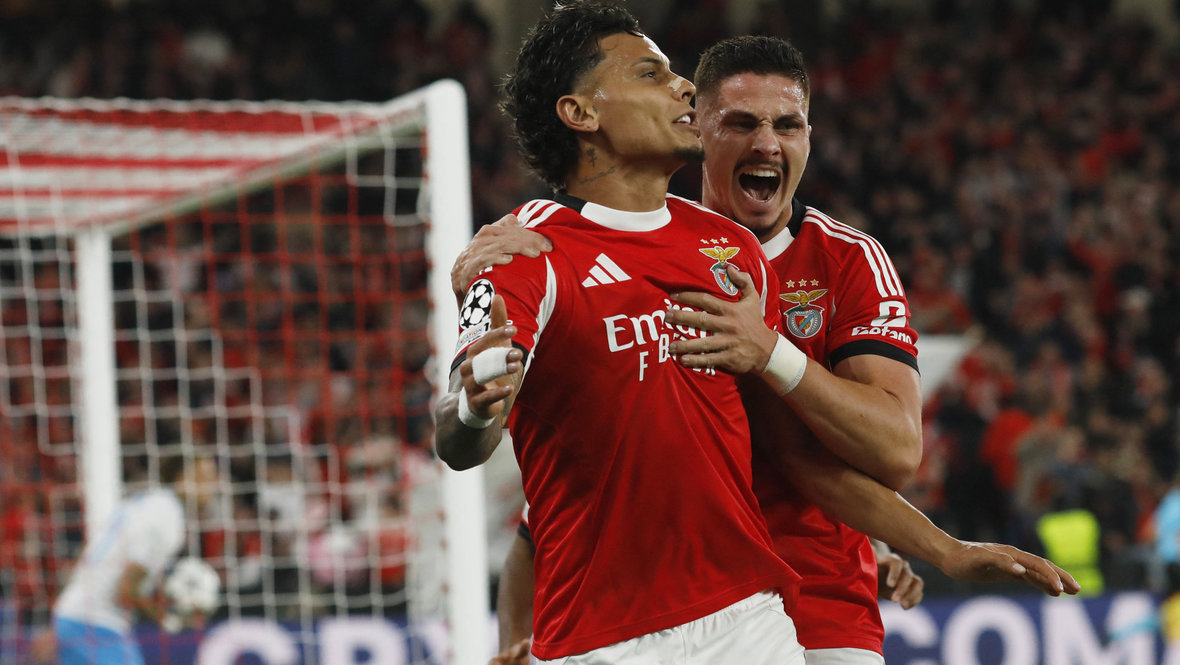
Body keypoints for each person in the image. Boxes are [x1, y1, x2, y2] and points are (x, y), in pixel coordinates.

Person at [455, 35, 1080, 665]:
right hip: (634, 609)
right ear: (698, 129)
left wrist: (935, 546)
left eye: (788, 126)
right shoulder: (596, 249)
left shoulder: (843, 259)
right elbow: (552, 489)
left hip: (809, 604)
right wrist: (516, 638)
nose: (766, 144)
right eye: (741, 123)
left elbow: (885, 452)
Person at [434, 3, 808, 664]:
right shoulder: (520, 253)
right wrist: (475, 405)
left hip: (747, 618)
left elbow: (781, 447)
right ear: (581, 113)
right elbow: (460, 437)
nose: (685, 87)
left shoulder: (732, 250)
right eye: (650, 74)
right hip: (599, 641)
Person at [37, 453, 218, 665]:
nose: (213, 485)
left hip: (74, 615)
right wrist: (168, 619)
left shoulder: (144, 502)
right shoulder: (168, 518)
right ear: (182, 478)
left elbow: (90, 557)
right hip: (98, 623)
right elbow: (126, 590)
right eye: (204, 476)